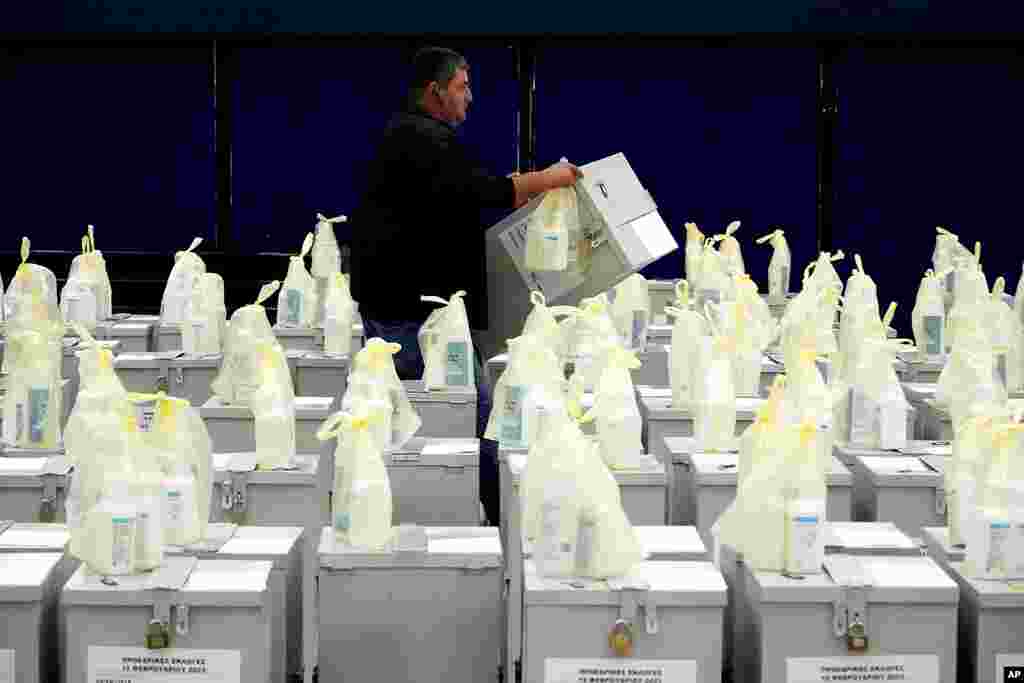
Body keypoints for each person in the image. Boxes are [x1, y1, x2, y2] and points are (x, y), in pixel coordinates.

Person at [349, 46, 581, 527]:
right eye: (462, 87)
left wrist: (517, 183)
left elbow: (468, 189)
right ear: (435, 92)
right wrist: (548, 180)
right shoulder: (423, 139)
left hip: (407, 310)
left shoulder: (413, 137)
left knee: (435, 422)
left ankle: (443, 514)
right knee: (467, 421)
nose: (470, 98)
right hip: (413, 319)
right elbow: (483, 192)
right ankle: (492, 523)